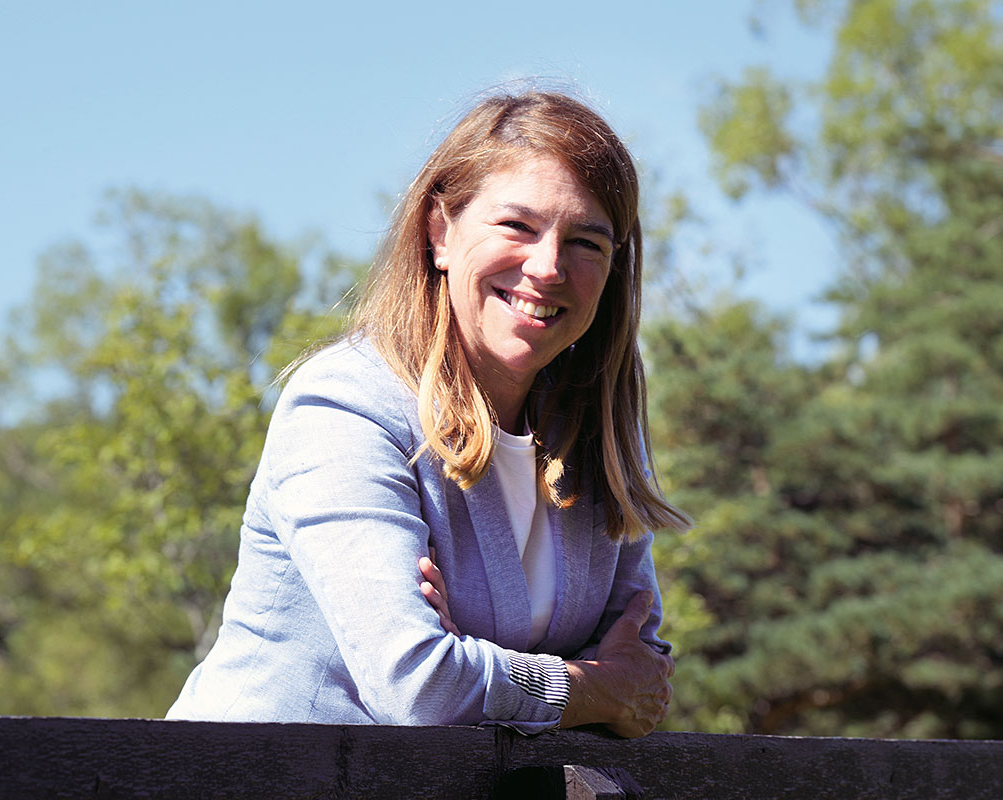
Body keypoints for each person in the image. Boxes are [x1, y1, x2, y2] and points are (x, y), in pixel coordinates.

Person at [166, 90, 690, 736]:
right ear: (440, 231)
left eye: (586, 242)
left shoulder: (596, 436)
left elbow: (639, 673)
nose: (548, 266)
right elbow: (420, 683)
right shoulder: (346, 404)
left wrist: (479, 666)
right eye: (517, 226)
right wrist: (574, 685)